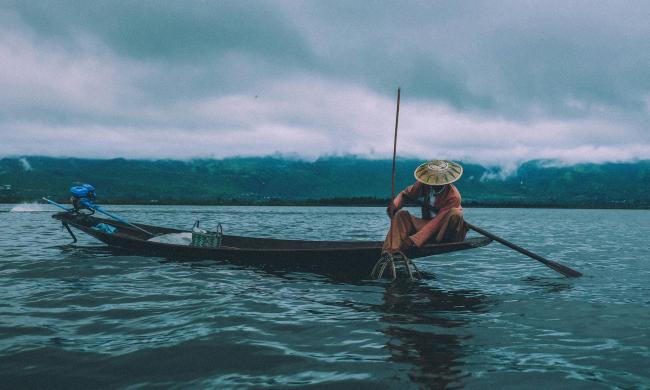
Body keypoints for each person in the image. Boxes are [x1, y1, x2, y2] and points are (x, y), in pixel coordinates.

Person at [383, 160, 467, 254]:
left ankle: (421, 240)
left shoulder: (453, 196)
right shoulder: (424, 184)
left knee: (455, 213)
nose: (435, 183)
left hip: (445, 230)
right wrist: (395, 205)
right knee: (401, 215)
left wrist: (415, 240)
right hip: (427, 225)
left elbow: (437, 221)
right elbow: (405, 194)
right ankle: (390, 251)